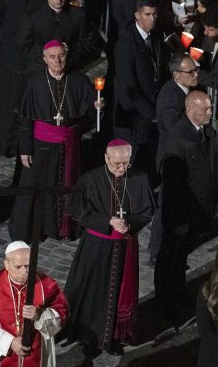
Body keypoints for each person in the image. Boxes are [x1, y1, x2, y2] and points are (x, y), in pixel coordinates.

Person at [64, 140, 155, 353]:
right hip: (96, 246)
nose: (122, 169)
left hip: (125, 246)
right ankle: (87, 334)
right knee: (92, 290)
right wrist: (108, 222)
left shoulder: (139, 179)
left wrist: (130, 223)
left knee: (119, 291)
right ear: (106, 158)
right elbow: (80, 212)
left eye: (126, 163)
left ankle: (113, 336)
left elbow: (147, 210)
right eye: (116, 164)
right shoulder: (91, 180)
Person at [8, 40, 98, 241]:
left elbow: (88, 117)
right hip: (41, 145)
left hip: (68, 146)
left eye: (61, 56)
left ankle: (60, 228)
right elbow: (25, 118)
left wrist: (96, 108)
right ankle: (28, 230)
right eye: (52, 57)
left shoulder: (78, 80)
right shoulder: (34, 82)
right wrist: (25, 149)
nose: (57, 61)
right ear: (44, 59)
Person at [155, 91, 218, 326]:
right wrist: (179, 218)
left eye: (210, 108)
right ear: (190, 109)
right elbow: (173, 184)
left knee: (181, 256)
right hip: (180, 212)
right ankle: (165, 303)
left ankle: (179, 292)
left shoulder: (206, 132)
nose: (210, 113)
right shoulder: (178, 137)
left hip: (197, 210)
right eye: (206, 109)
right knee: (170, 258)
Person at [0, 0, 48, 157]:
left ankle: (19, 144)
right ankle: (0, 141)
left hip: (33, 51)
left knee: (24, 99)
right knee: (4, 96)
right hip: (9, 48)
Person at [113, 0, 168, 175]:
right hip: (133, 115)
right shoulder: (126, 44)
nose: (152, 18)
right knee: (131, 163)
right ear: (137, 15)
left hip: (151, 109)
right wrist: (151, 113)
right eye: (147, 14)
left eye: (155, 14)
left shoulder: (157, 35)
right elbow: (129, 86)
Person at [19, 0, 97, 73]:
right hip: (40, 73)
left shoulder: (79, 15)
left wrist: (66, 54)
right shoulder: (32, 16)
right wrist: (49, 52)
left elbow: (88, 44)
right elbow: (24, 46)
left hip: (70, 70)